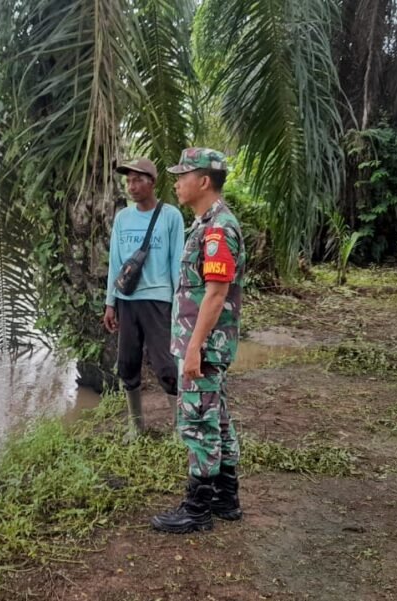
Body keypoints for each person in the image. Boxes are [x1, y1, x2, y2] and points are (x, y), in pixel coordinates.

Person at [151, 148, 245, 534]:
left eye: (183, 175)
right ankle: (225, 497)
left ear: (203, 181)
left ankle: (197, 508)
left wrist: (193, 348)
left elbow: (216, 294)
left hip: (204, 345)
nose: (176, 182)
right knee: (216, 417)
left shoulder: (217, 229)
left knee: (199, 420)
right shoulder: (207, 224)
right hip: (205, 343)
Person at [104, 157, 185, 439]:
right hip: (127, 300)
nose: (131, 186)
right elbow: (116, 263)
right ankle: (135, 426)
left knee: (165, 364)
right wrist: (110, 303)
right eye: (128, 181)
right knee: (127, 362)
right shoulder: (123, 218)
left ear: (152, 183)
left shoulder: (171, 216)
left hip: (158, 300)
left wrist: (179, 304)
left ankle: (179, 426)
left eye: (138, 180)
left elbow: (177, 262)